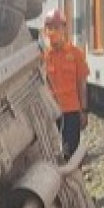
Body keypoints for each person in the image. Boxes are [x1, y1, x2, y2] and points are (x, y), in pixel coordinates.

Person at [41, 9, 89, 160]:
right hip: (50, 114)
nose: (53, 31)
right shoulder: (42, 56)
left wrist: (84, 111)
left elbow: (82, 85)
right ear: (45, 30)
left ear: (64, 28)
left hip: (71, 112)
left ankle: (71, 180)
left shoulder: (76, 54)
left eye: (57, 27)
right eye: (50, 27)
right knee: (52, 153)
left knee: (70, 152)